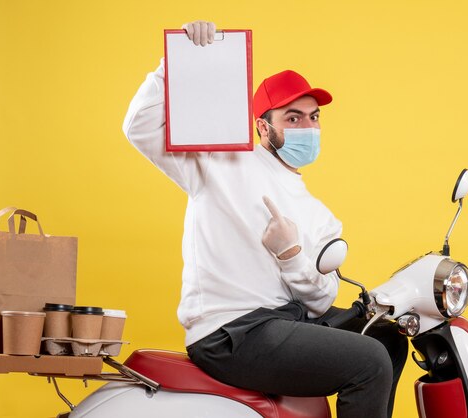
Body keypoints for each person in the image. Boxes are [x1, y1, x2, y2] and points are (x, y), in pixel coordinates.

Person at [123, 19, 408, 418]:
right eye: (293, 118)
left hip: (283, 324)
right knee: (369, 362)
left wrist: (290, 255)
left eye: (314, 117)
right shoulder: (222, 160)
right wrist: (175, 62)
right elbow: (139, 127)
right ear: (263, 127)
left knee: (387, 338)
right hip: (231, 333)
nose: (308, 127)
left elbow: (321, 298)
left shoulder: (319, 214)